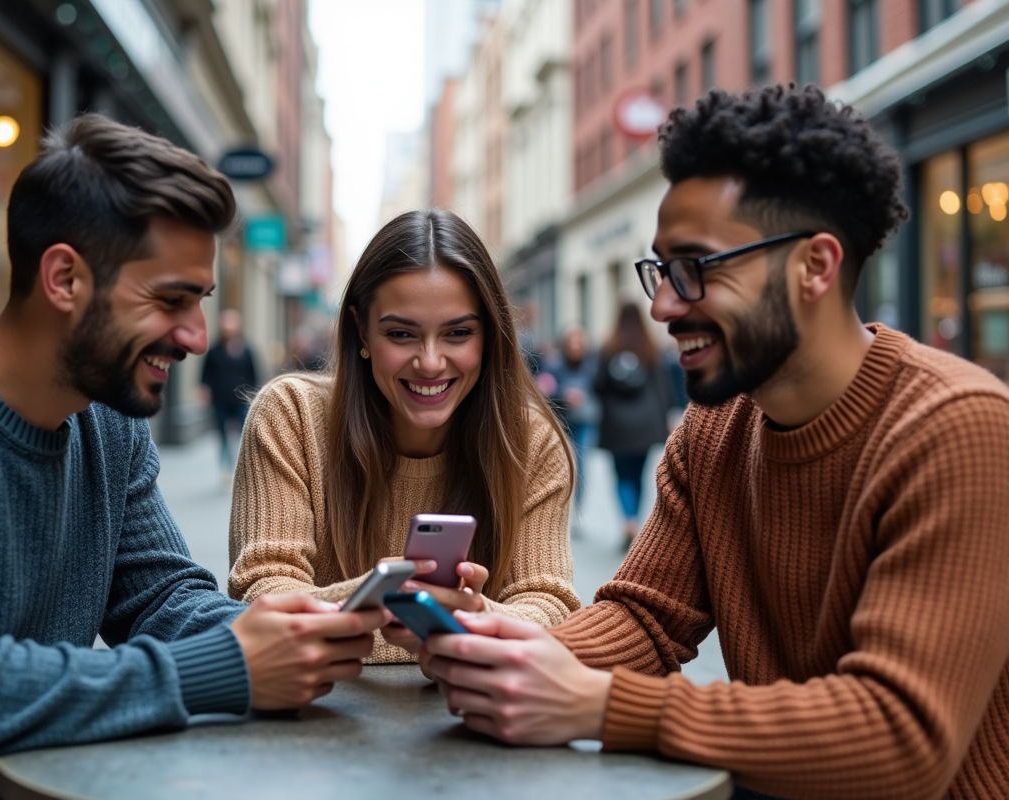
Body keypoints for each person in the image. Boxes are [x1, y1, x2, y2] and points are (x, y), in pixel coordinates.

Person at [420, 84, 1009, 800]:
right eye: (661, 270)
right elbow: (648, 618)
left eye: (695, 268)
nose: (664, 305)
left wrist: (605, 707)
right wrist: (509, 646)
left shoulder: (961, 427)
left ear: (815, 267)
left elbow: (900, 736)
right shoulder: (716, 425)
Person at [0, 114, 386, 799]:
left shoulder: (106, 416)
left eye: (199, 302)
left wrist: (317, 622)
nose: (197, 338)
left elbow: (164, 599)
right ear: (64, 279)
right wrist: (224, 667)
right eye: (170, 300)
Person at [228, 209, 580, 663]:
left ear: (490, 336)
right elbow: (262, 592)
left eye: (458, 333)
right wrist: (407, 601)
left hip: (473, 714)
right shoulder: (290, 415)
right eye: (401, 334)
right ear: (362, 330)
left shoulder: (529, 440)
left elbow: (551, 604)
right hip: (317, 707)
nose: (431, 362)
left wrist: (465, 614)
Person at [592, 303, 675, 549]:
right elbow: (664, 389)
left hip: (617, 425)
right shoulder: (650, 348)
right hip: (645, 424)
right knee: (638, 475)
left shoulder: (609, 348)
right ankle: (634, 520)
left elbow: (597, 385)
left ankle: (627, 520)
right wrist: (666, 419)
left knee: (621, 475)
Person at [540, 326, 598, 517]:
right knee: (559, 461)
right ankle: (559, 503)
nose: (574, 347)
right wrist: (563, 394)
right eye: (571, 343)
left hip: (584, 420)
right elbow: (544, 389)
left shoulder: (592, 365)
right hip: (562, 419)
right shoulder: (554, 365)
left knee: (581, 463)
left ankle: (578, 507)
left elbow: (599, 389)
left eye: (578, 343)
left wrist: (585, 396)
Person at [200, 307, 258, 472]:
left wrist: (254, 395)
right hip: (220, 398)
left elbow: (253, 373)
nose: (228, 326)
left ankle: (242, 465)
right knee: (223, 434)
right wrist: (204, 390)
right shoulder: (214, 351)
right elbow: (206, 373)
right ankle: (226, 466)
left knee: (243, 433)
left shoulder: (246, 349)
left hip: (241, 399)